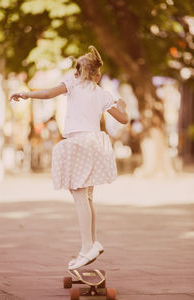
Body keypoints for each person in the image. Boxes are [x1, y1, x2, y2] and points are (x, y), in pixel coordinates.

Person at [10, 46, 128, 270]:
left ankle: (87, 248)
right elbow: (123, 119)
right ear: (97, 74)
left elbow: (47, 94)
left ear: (80, 71)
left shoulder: (72, 84)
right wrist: (122, 105)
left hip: (80, 144)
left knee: (79, 194)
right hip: (94, 144)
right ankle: (92, 243)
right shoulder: (103, 94)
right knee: (88, 196)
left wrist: (26, 94)